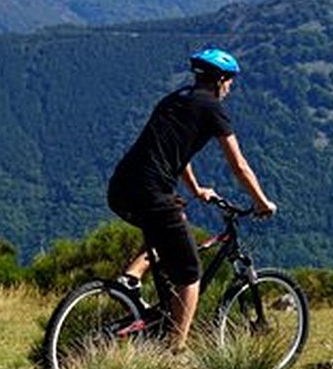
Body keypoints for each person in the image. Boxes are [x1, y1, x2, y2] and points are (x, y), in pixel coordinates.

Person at [107, 48, 277, 352]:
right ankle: (177, 351)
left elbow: (176, 150)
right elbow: (239, 165)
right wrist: (262, 202)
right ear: (221, 80)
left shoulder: (174, 99)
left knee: (173, 225)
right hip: (152, 191)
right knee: (189, 275)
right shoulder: (212, 107)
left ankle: (131, 278)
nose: (230, 88)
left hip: (121, 187)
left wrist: (196, 189)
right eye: (230, 82)